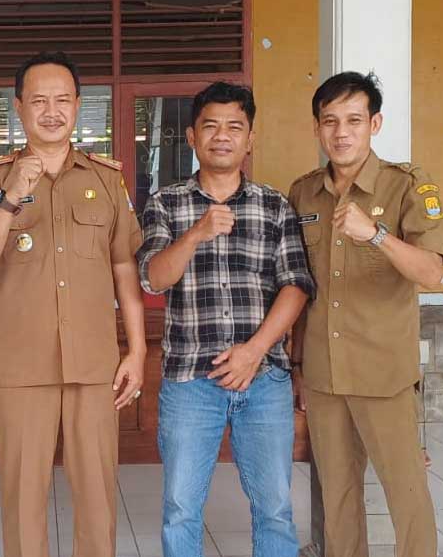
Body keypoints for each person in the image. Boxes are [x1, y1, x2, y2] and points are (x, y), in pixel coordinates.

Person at [0, 51, 146, 557]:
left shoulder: (106, 179)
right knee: (22, 501)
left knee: (98, 500)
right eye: (38, 101)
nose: (52, 111)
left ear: (78, 105)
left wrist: (137, 351)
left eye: (62, 100)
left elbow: (124, 266)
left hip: (94, 365)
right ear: (18, 108)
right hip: (20, 367)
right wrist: (9, 197)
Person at [137, 82, 315, 557]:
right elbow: (153, 278)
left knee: (275, 507)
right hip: (190, 380)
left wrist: (254, 351)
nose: (222, 136)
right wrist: (196, 232)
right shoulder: (165, 203)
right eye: (210, 126)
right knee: (180, 508)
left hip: (263, 378)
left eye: (234, 127)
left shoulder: (274, 205)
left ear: (250, 138)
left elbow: (296, 286)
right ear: (192, 136)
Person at [288, 71, 443, 557]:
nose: (341, 132)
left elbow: (432, 272)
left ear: (374, 124)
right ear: (317, 127)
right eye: (330, 121)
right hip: (324, 374)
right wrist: (297, 368)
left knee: (406, 495)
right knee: (337, 498)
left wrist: (375, 235)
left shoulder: (407, 187)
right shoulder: (304, 193)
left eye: (354, 120)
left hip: (384, 373)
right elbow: (300, 288)